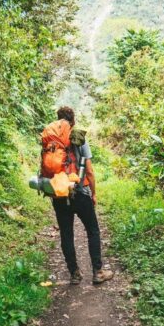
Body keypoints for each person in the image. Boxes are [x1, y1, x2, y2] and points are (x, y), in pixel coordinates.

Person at [46, 106, 114, 285]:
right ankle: (98, 272)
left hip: (59, 193)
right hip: (80, 192)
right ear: (73, 120)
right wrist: (94, 193)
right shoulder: (79, 137)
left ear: (58, 119)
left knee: (66, 234)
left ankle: (74, 274)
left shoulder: (51, 140)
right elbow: (89, 170)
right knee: (92, 230)